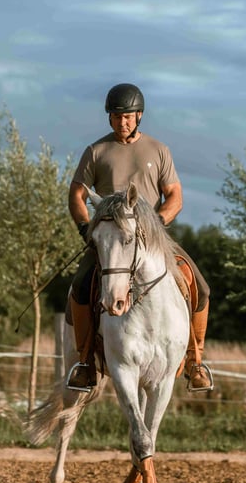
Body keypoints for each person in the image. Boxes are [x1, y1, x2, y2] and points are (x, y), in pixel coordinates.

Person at [66, 83, 213, 392]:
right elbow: (76, 194)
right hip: (111, 242)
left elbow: (174, 196)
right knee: (80, 286)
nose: (123, 122)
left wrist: (156, 225)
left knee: (199, 285)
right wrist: (85, 227)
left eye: (129, 117)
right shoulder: (96, 151)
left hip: (152, 238)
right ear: (109, 118)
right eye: (117, 117)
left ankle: (194, 361)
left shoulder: (159, 151)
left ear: (140, 116)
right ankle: (85, 363)